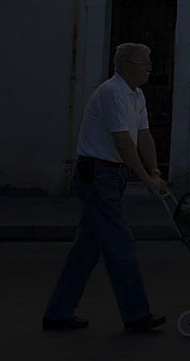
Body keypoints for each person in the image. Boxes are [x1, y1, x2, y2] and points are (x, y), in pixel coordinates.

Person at [42, 43, 167, 332]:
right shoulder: (112, 93)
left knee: (87, 248)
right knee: (120, 244)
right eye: (145, 62)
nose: (150, 67)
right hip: (97, 175)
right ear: (126, 65)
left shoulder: (136, 95)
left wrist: (155, 170)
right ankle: (137, 314)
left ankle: (58, 313)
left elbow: (144, 136)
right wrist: (146, 179)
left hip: (111, 177)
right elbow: (124, 142)